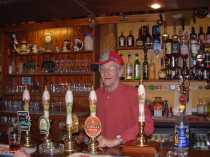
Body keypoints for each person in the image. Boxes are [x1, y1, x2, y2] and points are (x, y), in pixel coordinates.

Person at [96, 50, 154, 148]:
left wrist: (117, 140)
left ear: (120, 72)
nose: (106, 72)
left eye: (111, 68)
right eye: (103, 69)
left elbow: (148, 126)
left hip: (126, 151)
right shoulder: (96, 94)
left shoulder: (133, 94)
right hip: (101, 152)